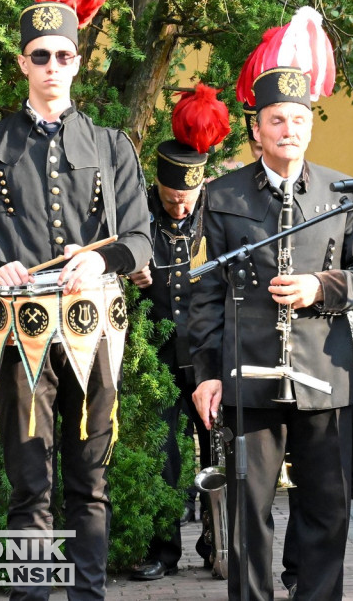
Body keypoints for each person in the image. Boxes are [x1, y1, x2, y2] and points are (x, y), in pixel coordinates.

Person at [0, 0, 152, 600]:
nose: (51, 66)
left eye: (63, 55)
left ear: (77, 61)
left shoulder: (113, 145)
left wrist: (98, 257)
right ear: (22, 63)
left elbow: (141, 241)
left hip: (92, 332)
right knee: (30, 485)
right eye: (39, 56)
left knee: (90, 484)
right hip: (22, 334)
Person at [188, 66, 353, 600]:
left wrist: (319, 286)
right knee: (247, 515)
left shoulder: (343, 192)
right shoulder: (221, 194)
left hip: (323, 375)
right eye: (277, 120)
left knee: (326, 507)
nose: (289, 129)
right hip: (246, 381)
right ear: (257, 129)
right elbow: (203, 295)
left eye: (299, 119)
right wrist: (206, 374)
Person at [127, 86, 228, 580]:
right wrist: (128, 275)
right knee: (163, 454)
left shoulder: (220, 210)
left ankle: (217, 544)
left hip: (211, 355)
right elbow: (107, 260)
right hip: (160, 354)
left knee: (218, 453)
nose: (179, 208)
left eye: (186, 199)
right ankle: (160, 551)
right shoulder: (138, 214)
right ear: (159, 187)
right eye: (171, 199)